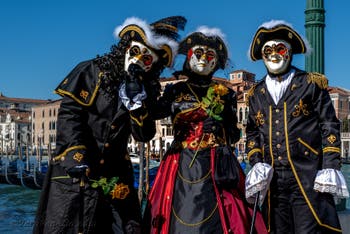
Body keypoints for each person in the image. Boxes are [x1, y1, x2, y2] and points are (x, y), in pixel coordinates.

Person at [33, 16, 186, 234]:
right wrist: (76, 156)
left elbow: (144, 135)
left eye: (147, 59)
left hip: (116, 173)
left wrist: (137, 105)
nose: (139, 60)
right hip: (77, 167)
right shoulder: (91, 71)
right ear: (125, 48)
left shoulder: (146, 91)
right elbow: (70, 115)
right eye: (135, 52)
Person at [143, 26, 267, 233]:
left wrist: (220, 128)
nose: (203, 59)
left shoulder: (226, 94)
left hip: (216, 163)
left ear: (216, 62)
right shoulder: (176, 90)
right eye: (198, 54)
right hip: (181, 162)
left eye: (210, 55)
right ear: (189, 57)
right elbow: (152, 114)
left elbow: (234, 135)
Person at [245, 20, 349, 233]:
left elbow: (329, 124)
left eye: (280, 49)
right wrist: (256, 162)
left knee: (309, 228)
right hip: (273, 181)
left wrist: (330, 164)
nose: (274, 55)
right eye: (268, 51)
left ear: (289, 52)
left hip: (306, 175)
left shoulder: (310, 84)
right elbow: (252, 132)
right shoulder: (256, 94)